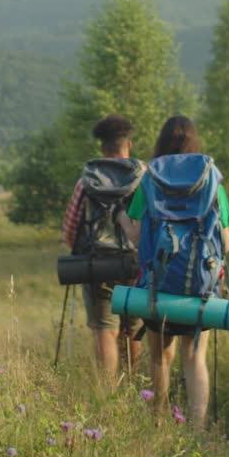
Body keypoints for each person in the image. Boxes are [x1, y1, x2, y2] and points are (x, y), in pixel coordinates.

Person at [121, 115, 229, 425]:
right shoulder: (212, 180)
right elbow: (227, 242)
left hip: (158, 286)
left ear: (161, 143)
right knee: (195, 357)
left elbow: (134, 236)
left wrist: (120, 219)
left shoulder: (149, 180)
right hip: (200, 289)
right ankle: (197, 429)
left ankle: (157, 419)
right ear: (195, 144)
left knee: (160, 357)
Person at [60, 114, 145, 377]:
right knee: (133, 327)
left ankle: (108, 394)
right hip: (136, 262)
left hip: (98, 265)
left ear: (102, 148)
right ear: (128, 144)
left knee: (105, 328)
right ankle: (133, 386)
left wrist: (80, 251)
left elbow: (70, 229)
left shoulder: (87, 180)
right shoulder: (144, 177)